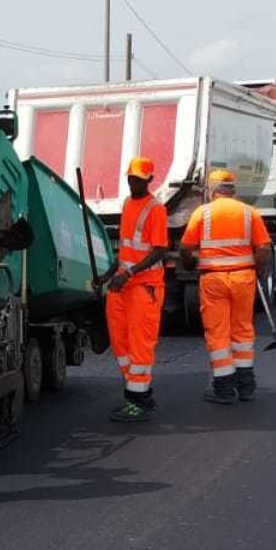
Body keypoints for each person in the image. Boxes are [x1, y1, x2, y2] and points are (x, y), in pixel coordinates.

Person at [179, 168, 273, 405]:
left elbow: (185, 248)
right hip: (243, 278)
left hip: (213, 280)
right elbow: (263, 249)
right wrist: (258, 271)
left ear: (212, 191)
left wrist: (189, 265)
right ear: (233, 190)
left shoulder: (203, 213)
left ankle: (224, 389)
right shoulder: (249, 212)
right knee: (242, 330)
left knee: (217, 332)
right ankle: (246, 385)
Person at [105, 156, 169, 423]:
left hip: (145, 288)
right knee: (121, 344)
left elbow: (160, 249)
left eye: (139, 180)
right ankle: (140, 395)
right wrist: (110, 273)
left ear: (149, 181)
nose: (134, 184)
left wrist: (129, 273)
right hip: (123, 285)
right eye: (131, 179)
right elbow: (126, 248)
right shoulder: (128, 203)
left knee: (140, 346)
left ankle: (136, 403)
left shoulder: (156, 209)